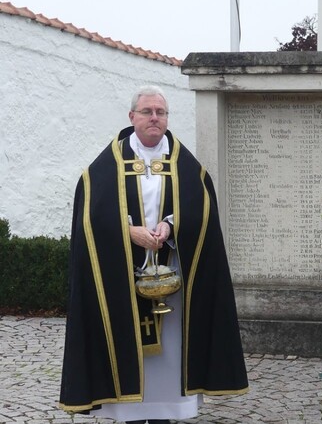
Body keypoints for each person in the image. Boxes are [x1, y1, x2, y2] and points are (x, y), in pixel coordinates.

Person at [59, 86, 249, 423]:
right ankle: (129, 413)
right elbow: (90, 218)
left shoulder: (185, 164)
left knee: (170, 356)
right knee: (127, 348)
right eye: (147, 112)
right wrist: (127, 233)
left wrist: (172, 226)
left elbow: (201, 211)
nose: (154, 118)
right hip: (124, 283)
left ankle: (166, 414)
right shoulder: (106, 167)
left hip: (171, 284)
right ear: (131, 117)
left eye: (161, 112)